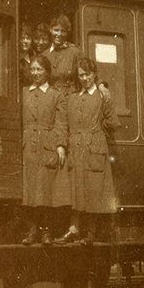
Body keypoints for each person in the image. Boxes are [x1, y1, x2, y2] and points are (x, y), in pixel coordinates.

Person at [55, 58, 121, 245]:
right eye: (81, 75)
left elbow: (114, 122)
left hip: (94, 147)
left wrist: (98, 131)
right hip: (75, 148)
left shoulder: (102, 96)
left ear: (94, 75)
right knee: (75, 189)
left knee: (93, 189)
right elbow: (64, 123)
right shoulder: (72, 97)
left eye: (88, 74)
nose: (84, 78)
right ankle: (73, 229)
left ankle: (91, 233)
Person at [21, 55, 69, 245]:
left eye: (39, 69)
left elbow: (61, 122)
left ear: (47, 72)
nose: (35, 73)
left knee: (46, 191)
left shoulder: (56, 95)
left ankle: (46, 231)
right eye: (33, 69)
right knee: (30, 191)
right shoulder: (24, 92)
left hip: (47, 146)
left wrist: (60, 145)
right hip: (29, 146)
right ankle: (32, 230)